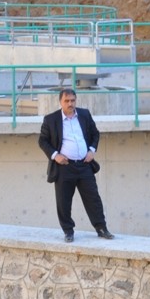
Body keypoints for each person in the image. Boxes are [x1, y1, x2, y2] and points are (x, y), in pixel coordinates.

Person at [38, 88, 114, 242]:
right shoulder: (51, 119)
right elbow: (42, 140)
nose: (70, 104)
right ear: (60, 102)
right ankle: (68, 231)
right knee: (64, 201)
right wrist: (55, 156)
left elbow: (95, 134)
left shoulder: (84, 114)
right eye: (66, 101)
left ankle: (101, 228)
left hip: (85, 165)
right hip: (64, 167)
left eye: (72, 100)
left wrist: (92, 150)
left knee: (93, 199)